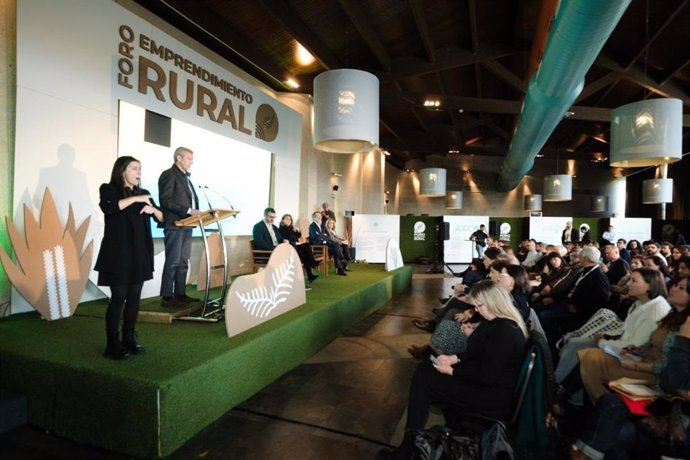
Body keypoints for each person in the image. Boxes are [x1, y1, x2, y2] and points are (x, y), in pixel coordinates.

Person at [378, 280, 528, 460]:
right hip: (488, 386)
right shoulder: (497, 322)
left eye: (479, 305)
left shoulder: (505, 331)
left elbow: (486, 376)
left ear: (494, 301)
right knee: (426, 370)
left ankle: (409, 447)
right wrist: (455, 359)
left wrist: (452, 371)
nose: (477, 310)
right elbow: (481, 355)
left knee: (424, 381)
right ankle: (422, 440)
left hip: (492, 396)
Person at [570, 315, 690, 460]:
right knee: (608, 399)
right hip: (669, 400)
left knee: (618, 427)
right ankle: (581, 449)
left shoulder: (677, 324)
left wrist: (683, 341)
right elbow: (670, 379)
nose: (674, 290)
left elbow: (674, 382)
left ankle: (579, 447)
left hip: (676, 414)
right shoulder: (674, 318)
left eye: (682, 289)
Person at [95, 156, 163, 360]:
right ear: (122, 170)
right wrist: (135, 199)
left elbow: (162, 217)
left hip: (140, 251)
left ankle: (129, 338)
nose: (138, 172)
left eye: (140, 169)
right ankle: (111, 344)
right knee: (118, 298)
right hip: (118, 253)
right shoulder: (108, 189)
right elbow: (110, 207)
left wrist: (154, 210)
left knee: (134, 297)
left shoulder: (144, 193)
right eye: (134, 168)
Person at [158, 146, 202, 308]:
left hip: (187, 225)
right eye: (189, 159)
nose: (191, 162)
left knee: (183, 261)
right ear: (179, 158)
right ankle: (167, 296)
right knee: (173, 261)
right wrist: (189, 210)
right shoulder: (168, 175)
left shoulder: (185, 177)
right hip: (175, 224)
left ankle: (180, 294)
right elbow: (166, 200)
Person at [278, 213, 320, 283]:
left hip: (295, 245)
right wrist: (294, 239)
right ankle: (312, 269)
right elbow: (285, 239)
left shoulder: (291, 228)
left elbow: (297, 237)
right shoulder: (281, 229)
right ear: (282, 220)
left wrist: (298, 231)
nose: (289, 221)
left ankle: (312, 267)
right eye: (287, 219)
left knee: (306, 245)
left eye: (290, 219)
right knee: (304, 255)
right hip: (289, 247)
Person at [309, 210, 347, 276]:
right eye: (318, 216)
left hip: (325, 244)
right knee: (337, 248)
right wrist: (323, 235)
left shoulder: (322, 226)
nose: (320, 217)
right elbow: (316, 237)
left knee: (336, 247)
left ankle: (340, 268)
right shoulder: (312, 226)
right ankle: (342, 261)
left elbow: (328, 236)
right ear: (314, 218)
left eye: (320, 216)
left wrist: (322, 235)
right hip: (318, 246)